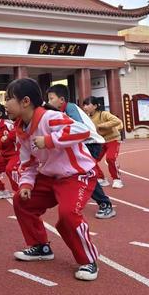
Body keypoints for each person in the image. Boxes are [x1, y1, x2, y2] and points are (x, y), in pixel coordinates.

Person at [6, 78, 99, 281]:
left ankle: (88, 261)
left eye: (8, 98)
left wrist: (49, 140)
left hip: (77, 174)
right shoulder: (21, 130)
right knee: (22, 201)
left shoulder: (50, 117)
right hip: (50, 177)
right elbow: (28, 163)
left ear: (25, 101)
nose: (5, 104)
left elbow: (83, 131)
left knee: (67, 215)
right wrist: (26, 184)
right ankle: (41, 246)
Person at [47, 85, 116, 219]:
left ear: (62, 99)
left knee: (84, 173)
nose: (49, 102)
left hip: (91, 143)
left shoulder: (70, 108)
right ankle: (75, 199)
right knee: (74, 172)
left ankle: (105, 204)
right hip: (82, 144)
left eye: (51, 98)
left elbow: (81, 128)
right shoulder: (59, 112)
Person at [82, 96, 124, 188]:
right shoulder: (86, 118)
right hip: (100, 141)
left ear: (95, 106)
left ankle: (117, 179)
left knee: (110, 158)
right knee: (92, 160)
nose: (84, 107)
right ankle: (101, 178)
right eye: (84, 105)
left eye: (87, 104)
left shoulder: (104, 114)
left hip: (113, 139)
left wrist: (102, 125)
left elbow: (117, 121)